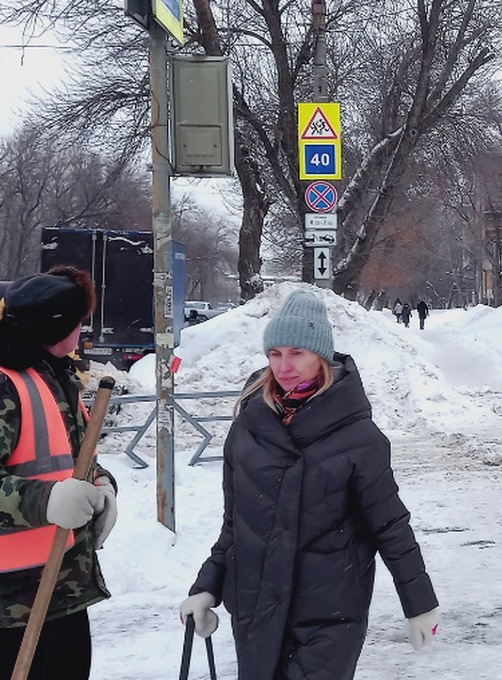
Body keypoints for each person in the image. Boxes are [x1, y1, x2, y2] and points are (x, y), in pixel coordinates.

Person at [179, 289, 440, 680]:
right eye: (275, 353)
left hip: (329, 615)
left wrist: (419, 603)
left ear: (321, 356)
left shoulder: (359, 437)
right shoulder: (247, 429)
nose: (284, 366)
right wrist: (207, 587)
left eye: (297, 353)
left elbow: (390, 525)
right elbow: (236, 525)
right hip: (255, 609)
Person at [0, 267, 118, 680]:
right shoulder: (5, 385)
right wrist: (46, 501)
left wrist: (102, 487)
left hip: (60, 590)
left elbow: (72, 459)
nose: (82, 329)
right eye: (79, 321)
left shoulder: (55, 376)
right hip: (9, 608)